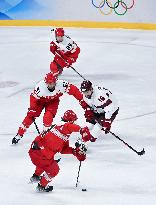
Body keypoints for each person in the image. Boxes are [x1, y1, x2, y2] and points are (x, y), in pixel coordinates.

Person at [12, 72, 84, 145]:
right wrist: (32, 108)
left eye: (53, 83)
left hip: (53, 101)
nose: (51, 85)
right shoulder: (40, 87)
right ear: (46, 83)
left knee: (48, 117)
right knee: (30, 117)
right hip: (40, 102)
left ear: (56, 82)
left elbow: (74, 90)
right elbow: (33, 98)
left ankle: (45, 136)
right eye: (49, 83)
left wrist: (82, 99)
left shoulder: (62, 85)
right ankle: (19, 134)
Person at [28, 110, 91, 192]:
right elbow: (69, 126)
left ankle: (35, 176)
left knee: (45, 163)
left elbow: (63, 149)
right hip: (40, 154)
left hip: (37, 153)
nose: (75, 123)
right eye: (74, 121)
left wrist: (74, 151)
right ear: (70, 121)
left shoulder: (60, 130)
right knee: (54, 170)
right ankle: (41, 186)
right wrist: (82, 130)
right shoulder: (63, 126)